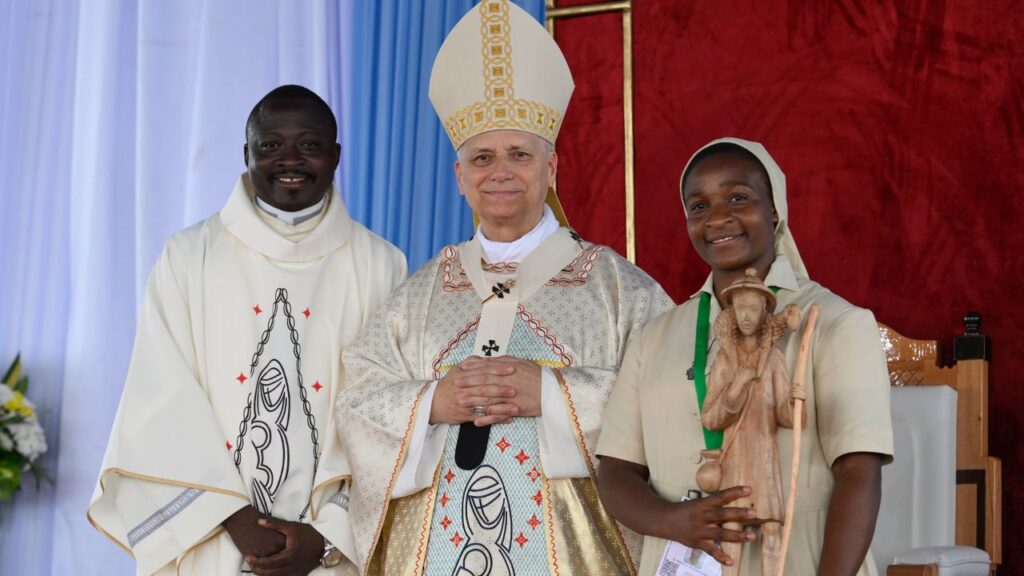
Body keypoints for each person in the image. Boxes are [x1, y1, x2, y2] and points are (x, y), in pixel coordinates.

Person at [334, 2, 674, 574]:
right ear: (459, 176)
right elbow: (358, 400)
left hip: (575, 551)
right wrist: (430, 403)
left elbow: (666, 401)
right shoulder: (418, 296)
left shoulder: (619, 289)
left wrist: (551, 392)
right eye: (482, 158)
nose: (501, 172)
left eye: (520, 155)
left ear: (552, 167)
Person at [88, 85, 407, 576]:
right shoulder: (189, 256)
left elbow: (390, 414)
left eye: (309, 144)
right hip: (215, 540)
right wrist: (233, 518)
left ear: (337, 154)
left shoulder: (380, 265)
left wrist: (324, 535)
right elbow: (159, 395)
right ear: (246, 154)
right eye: (270, 145)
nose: (290, 160)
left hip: (327, 550)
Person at [596, 138, 893, 576]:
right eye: (698, 207)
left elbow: (859, 472)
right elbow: (616, 471)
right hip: (684, 557)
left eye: (738, 197)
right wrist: (671, 521)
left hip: (798, 556)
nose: (717, 218)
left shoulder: (834, 323)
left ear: (774, 212)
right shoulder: (654, 338)